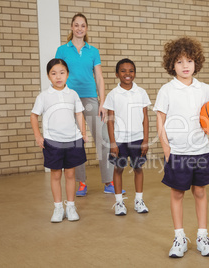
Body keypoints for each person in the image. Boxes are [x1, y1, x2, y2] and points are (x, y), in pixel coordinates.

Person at [154, 37, 209, 258]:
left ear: (197, 63)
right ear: (171, 65)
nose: (185, 66)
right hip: (177, 152)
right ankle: (179, 237)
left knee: (200, 192)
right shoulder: (167, 90)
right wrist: (167, 150)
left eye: (190, 61)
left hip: (200, 151)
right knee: (177, 194)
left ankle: (202, 236)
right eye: (179, 61)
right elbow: (160, 120)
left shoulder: (204, 89)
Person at [55, 13, 124, 196]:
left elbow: (99, 77)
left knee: (103, 139)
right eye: (76, 25)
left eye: (82, 25)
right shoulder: (62, 50)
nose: (79, 28)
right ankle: (82, 183)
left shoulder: (93, 51)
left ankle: (108, 181)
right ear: (71, 27)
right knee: (76, 142)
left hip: (90, 98)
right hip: (70, 99)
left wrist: (102, 102)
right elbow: (57, 74)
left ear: (86, 29)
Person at [30, 58, 87, 222]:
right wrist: (38, 136)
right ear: (48, 76)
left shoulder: (73, 94)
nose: (58, 77)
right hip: (53, 141)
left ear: (67, 74)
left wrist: (84, 133)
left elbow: (79, 114)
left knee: (70, 174)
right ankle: (57, 208)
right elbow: (33, 116)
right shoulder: (44, 96)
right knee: (55, 175)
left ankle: (70, 206)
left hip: (73, 140)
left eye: (62, 73)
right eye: (53, 73)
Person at [104, 58, 151, 216]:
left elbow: (145, 117)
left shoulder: (141, 92)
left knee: (138, 168)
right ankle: (119, 202)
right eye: (123, 71)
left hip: (137, 139)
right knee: (118, 169)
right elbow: (110, 121)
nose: (127, 74)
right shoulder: (113, 95)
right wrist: (112, 142)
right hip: (120, 140)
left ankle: (139, 200)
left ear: (135, 73)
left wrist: (145, 140)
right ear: (117, 74)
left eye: (131, 70)